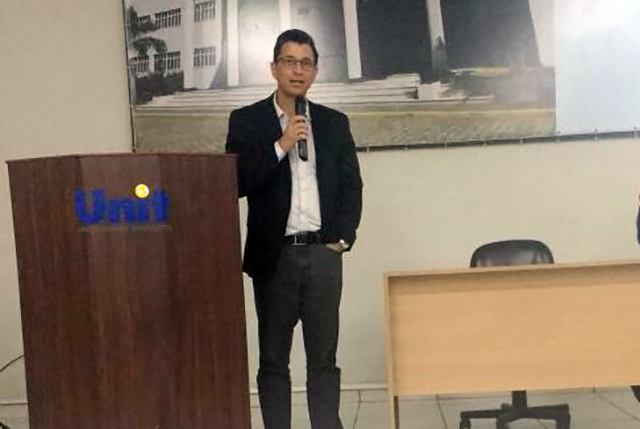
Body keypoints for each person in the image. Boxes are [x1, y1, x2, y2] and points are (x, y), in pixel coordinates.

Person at [225, 29, 363, 429]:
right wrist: (281, 144)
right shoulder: (247, 121)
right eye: (289, 62)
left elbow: (351, 187)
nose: (297, 70)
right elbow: (236, 182)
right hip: (274, 258)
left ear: (315, 71)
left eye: (306, 63)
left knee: (324, 360)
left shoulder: (334, 123)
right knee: (273, 361)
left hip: (322, 255)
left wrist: (341, 239)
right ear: (274, 68)